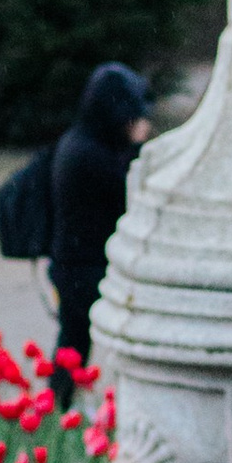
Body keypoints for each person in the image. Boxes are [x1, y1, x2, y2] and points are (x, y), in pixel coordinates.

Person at [47, 63, 154, 366]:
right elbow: (129, 193)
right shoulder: (89, 154)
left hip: (72, 262)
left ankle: (61, 392)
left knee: (72, 342)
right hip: (84, 267)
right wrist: (137, 147)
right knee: (80, 342)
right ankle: (64, 391)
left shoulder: (77, 142)